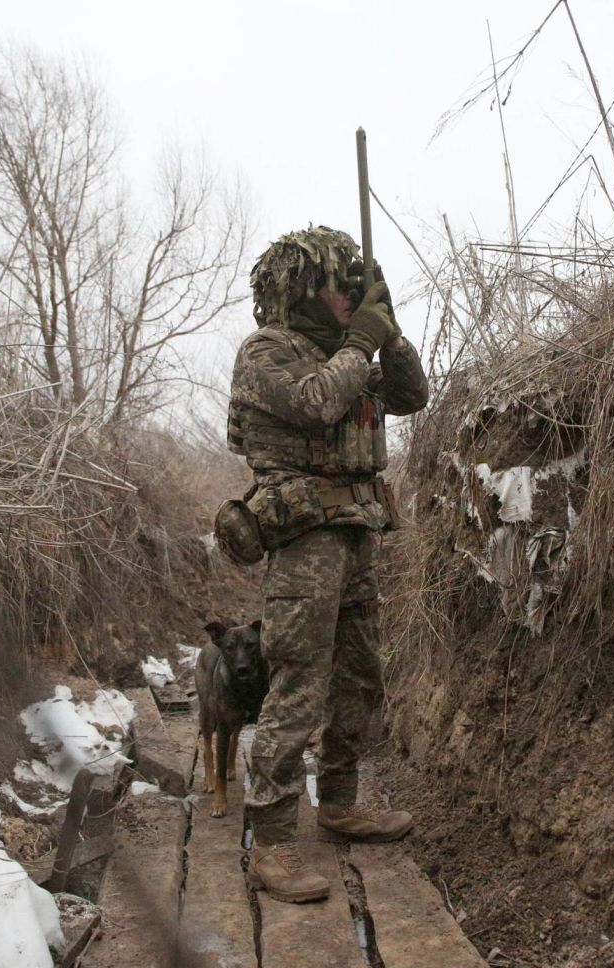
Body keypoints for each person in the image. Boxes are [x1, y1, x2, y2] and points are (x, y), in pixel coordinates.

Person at [225, 225, 429, 903]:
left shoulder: (348, 352)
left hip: (356, 533)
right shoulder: (268, 352)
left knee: (360, 673)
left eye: (354, 282)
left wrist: (388, 329)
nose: (348, 294)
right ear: (297, 288)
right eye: (337, 283)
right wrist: (361, 340)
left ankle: (339, 799)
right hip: (304, 539)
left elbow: (411, 394)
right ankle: (274, 840)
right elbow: (315, 403)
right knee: (298, 681)